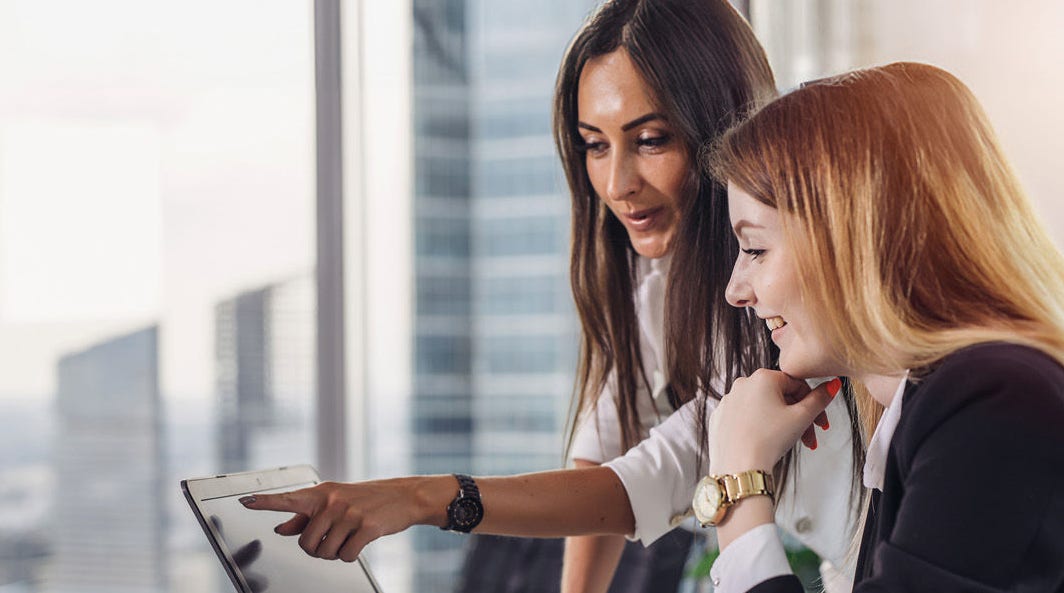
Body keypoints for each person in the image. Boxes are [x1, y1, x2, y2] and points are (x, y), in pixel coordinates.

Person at [240, 2, 862, 592]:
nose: (616, 183)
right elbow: (608, 456)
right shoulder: (661, 291)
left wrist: (419, 498)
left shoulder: (799, 311)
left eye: (650, 140)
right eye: (595, 144)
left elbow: (649, 479)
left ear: (721, 129)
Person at [698, 61, 1064, 592]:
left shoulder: (995, 400)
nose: (736, 290)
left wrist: (738, 485)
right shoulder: (939, 407)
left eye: (755, 248)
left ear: (856, 240)